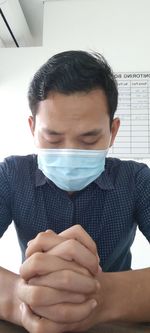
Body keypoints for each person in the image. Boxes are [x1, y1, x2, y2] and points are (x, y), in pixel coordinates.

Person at [0, 50, 150, 333]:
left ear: (113, 131)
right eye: (52, 138)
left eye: (89, 139)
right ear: (32, 128)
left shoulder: (136, 180)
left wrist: (101, 297)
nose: (70, 153)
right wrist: (18, 302)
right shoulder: (10, 175)